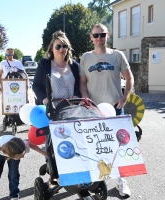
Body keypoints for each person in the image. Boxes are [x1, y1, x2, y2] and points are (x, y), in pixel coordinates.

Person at [79, 23, 134, 197]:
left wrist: (124, 98)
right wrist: (85, 98)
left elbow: (129, 77)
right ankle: (96, 181)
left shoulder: (117, 55)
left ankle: (121, 181)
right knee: (95, 147)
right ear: (91, 37)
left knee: (118, 148)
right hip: (93, 110)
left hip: (115, 109)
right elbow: (82, 82)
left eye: (102, 35)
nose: (99, 38)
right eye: (96, 35)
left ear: (108, 35)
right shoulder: (86, 58)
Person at [0, 136, 47, 200]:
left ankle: (14, 196)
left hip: (15, 150)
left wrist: (44, 153)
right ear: (10, 156)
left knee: (14, 176)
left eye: (23, 154)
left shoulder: (21, 146)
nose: (23, 157)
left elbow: (30, 144)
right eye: (21, 155)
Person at [32, 30, 81, 106]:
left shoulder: (75, 66)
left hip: (71, 109)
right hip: (52, 110)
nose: (61, 49)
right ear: (52, 48)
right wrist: (44, 98)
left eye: (64, 46)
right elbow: (36, 85)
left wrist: (77, 96)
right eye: (58, 46)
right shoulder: (44, 64)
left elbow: (80, 85)